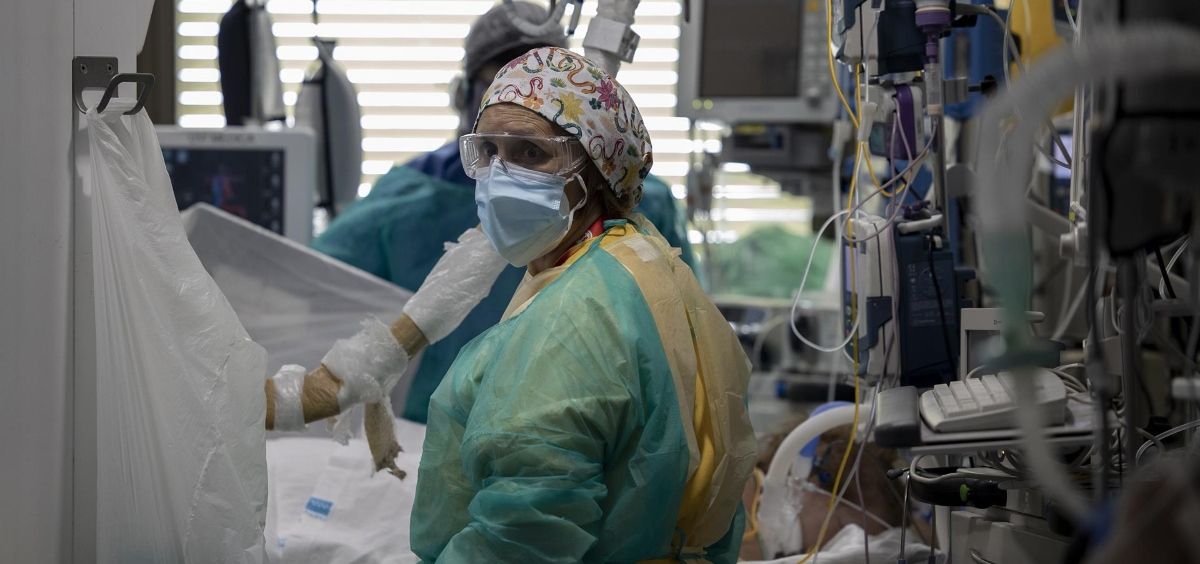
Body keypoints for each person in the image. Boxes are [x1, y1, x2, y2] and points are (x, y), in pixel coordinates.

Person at [408, 46, 756, 562]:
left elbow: (524, 532)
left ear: (595, 171)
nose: (500, 175)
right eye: (489, 150)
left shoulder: (572, 321)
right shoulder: (638, 258)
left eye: (531, 153)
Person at [310, 2, 695, 424]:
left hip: (585, 428)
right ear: (468, 97)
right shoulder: (411, 197)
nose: (525, 97)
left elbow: (678, 337)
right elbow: (311, 281)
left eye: (533, 150)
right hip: (436, 431)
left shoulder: (631, 200)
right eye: (502, 82)